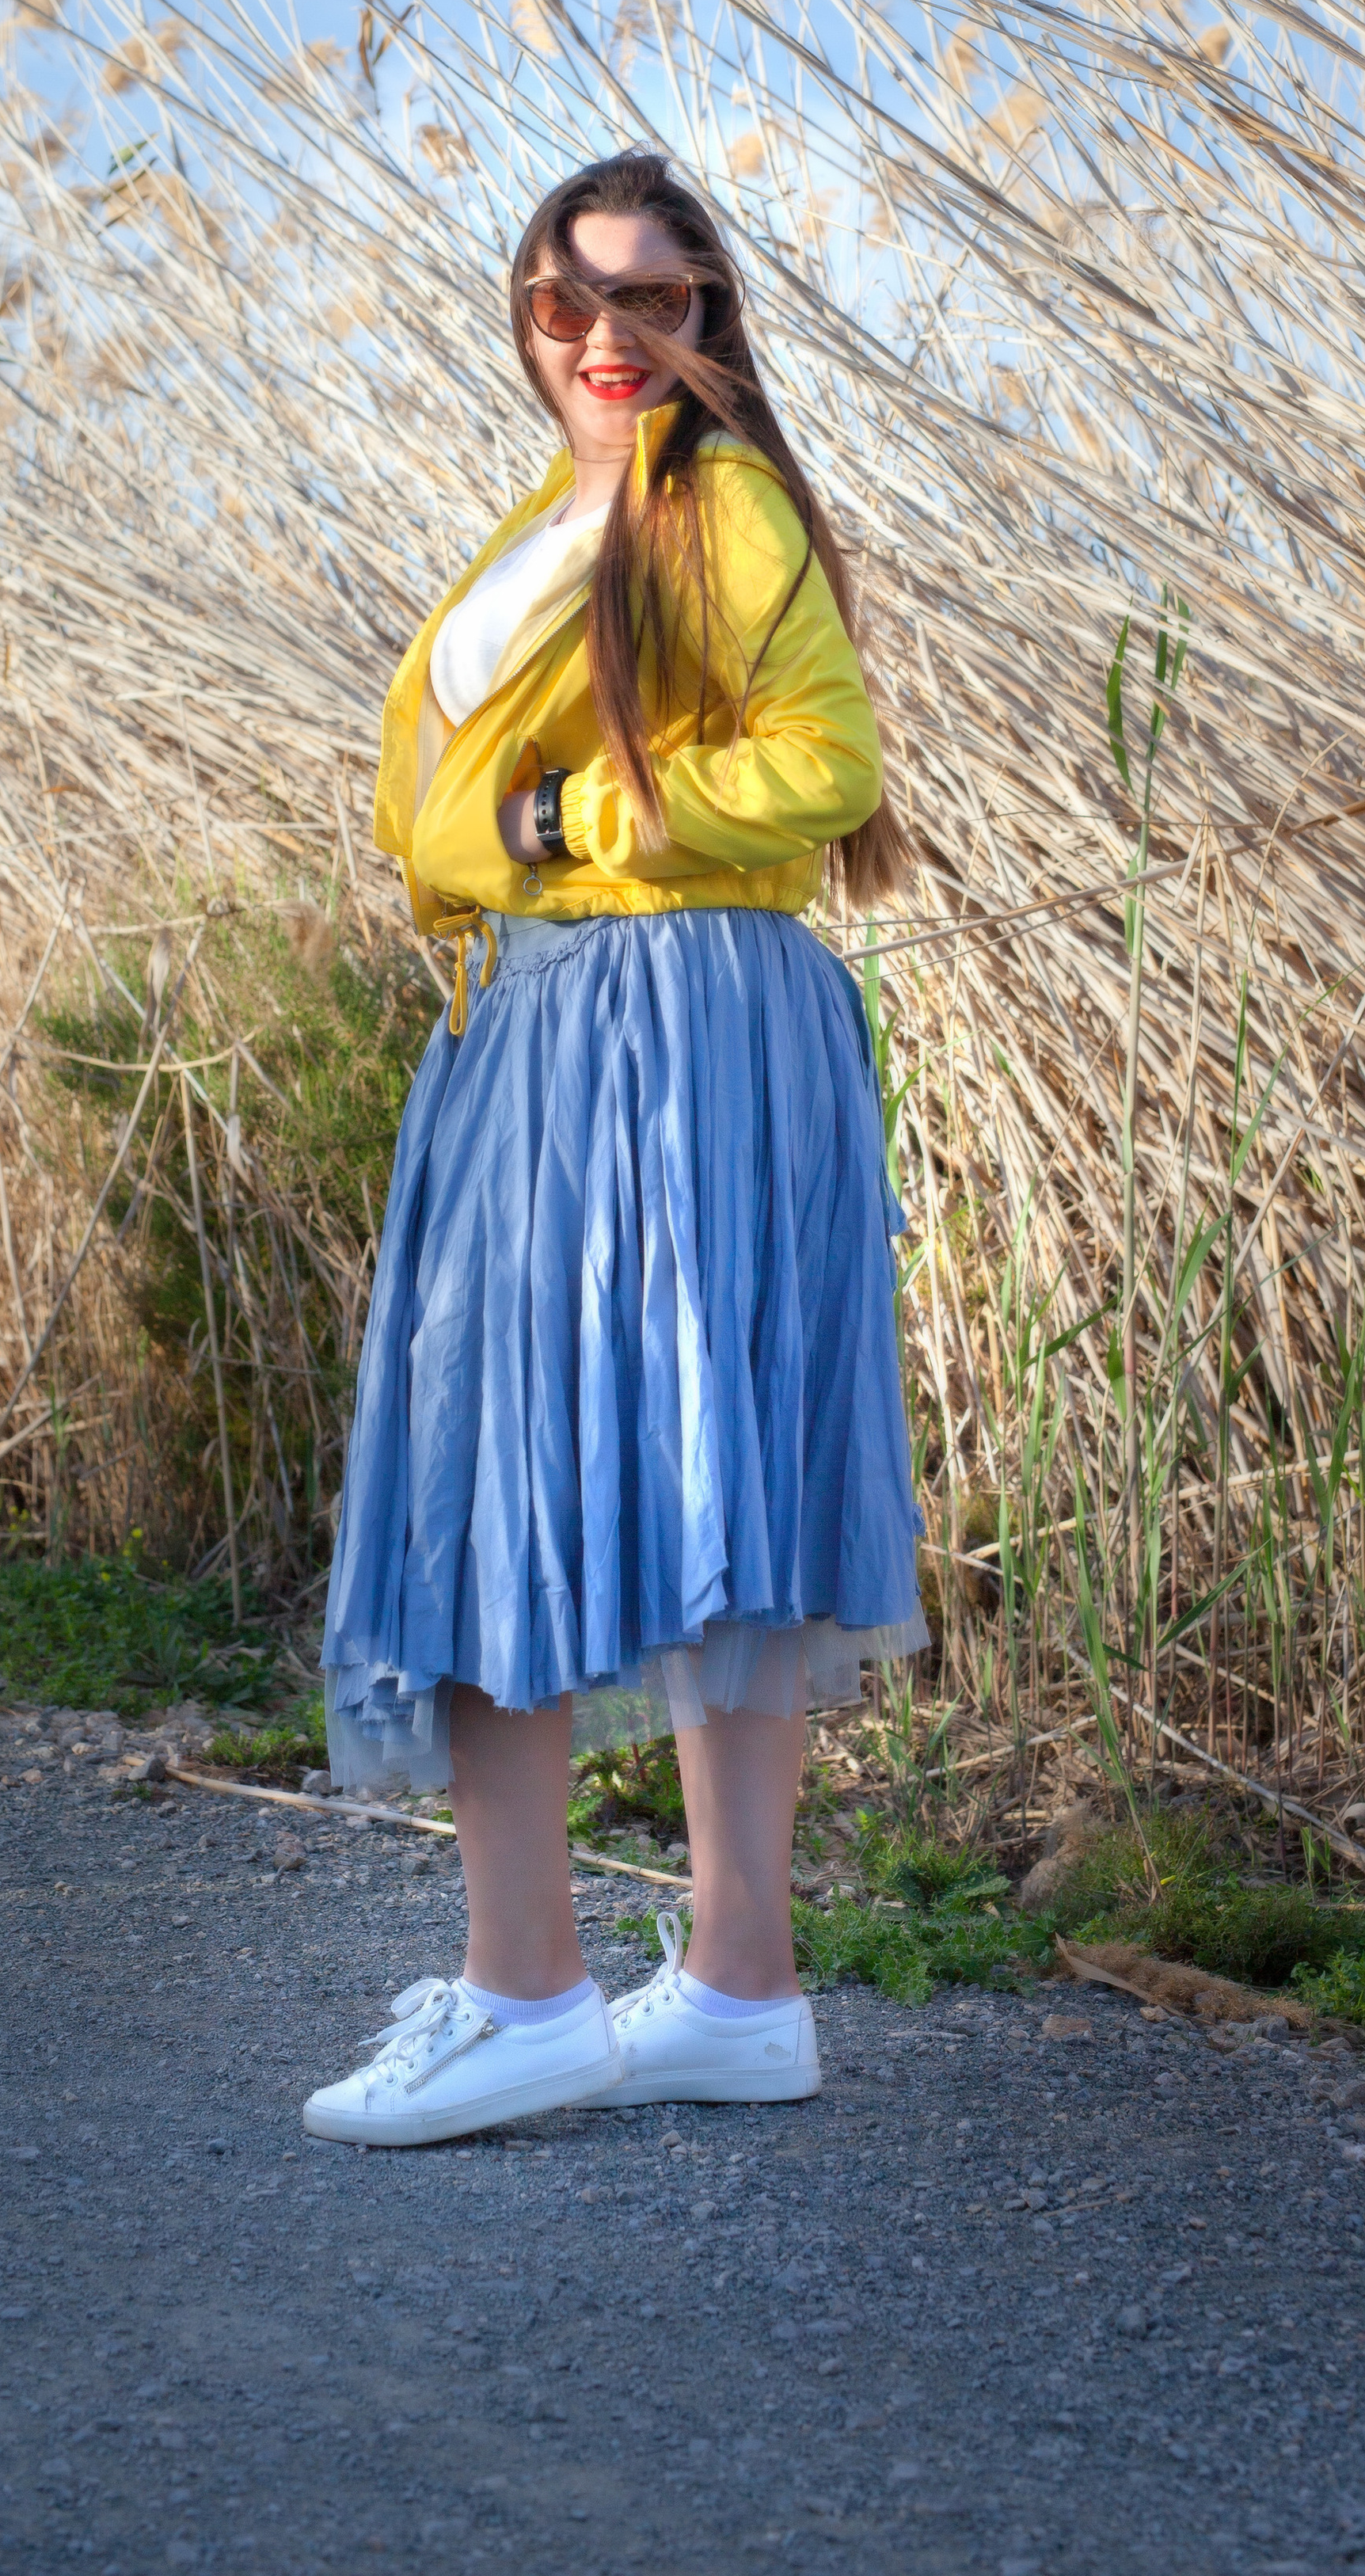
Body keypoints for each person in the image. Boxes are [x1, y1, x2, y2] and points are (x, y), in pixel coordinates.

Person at [302, 149, 926, 2145]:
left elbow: (826, 766)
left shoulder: (717, 502)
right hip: (566, 1016)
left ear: (709, 318)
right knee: (679, 1458)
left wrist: (577, 832)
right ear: (522, 313)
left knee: (512, 1464)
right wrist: (515, 845)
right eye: (566, 302)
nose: (603, 337)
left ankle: (523, 1991)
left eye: (649, 300)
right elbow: (434, 809)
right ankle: (738, 1988)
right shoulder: (550, 515)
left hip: (666, 1009)